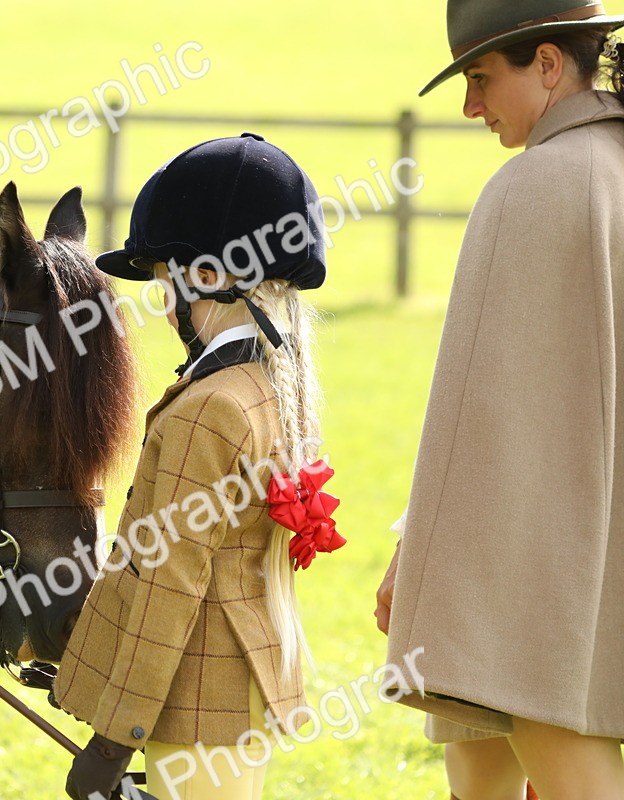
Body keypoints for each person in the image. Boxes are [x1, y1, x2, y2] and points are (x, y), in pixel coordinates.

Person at [376, 2, 624, 798]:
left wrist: (419, 550)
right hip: (586, 539)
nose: (470, 106)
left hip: (535, 561)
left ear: (547, 65)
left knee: (549, 730)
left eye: (482, 79)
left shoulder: (534, 187)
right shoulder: (614, 166)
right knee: (481, 745)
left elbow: (484, 414)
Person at [55, 134, 343, 800]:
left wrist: (109, 743)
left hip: (197, 701)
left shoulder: (207, 408)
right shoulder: (267, 386)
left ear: (210, 277)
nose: (161, 304)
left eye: (165, 281)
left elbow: (167, 585)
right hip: (240, 686)